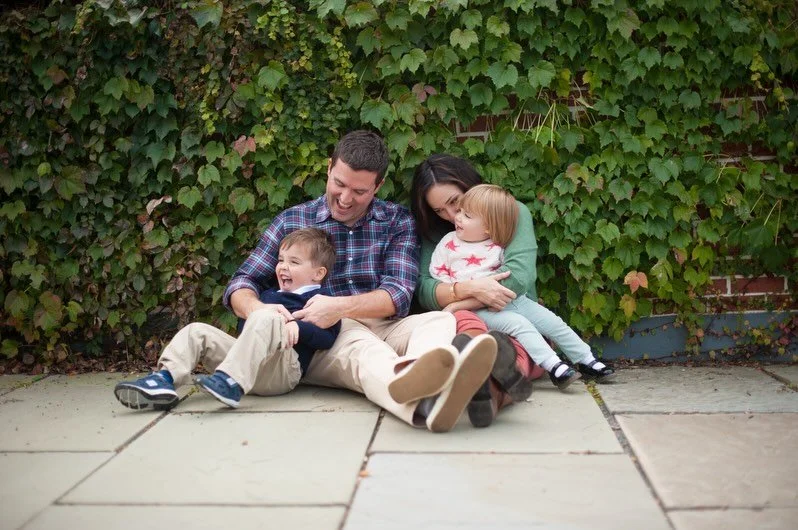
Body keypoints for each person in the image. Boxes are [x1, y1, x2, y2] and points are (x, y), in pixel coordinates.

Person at [116, 131, 498, 433]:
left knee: (439, 321)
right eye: (339, 183)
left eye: (360, 191)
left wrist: (341, 306)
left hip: (381, 320)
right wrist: (263, 313)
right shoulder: (293, 221)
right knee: (363, 351)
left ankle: (427, 371)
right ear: (329, 168)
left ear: (378, 186)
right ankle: (422, 405)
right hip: (319, 335)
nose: (345, 198)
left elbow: (398, 293)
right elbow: (242, 282)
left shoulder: (396, 221)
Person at [114, 227, 341, 409]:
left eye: (294, 262)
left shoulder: (320, 300)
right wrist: (260, 311)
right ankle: (164, 379)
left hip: (281, 371)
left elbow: (328, 337)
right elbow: (246, 327)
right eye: (281, 260)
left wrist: (300, 328)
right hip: (249, 363)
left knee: (266, 316)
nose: (283, 267)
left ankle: (230, 382)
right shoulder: (270, 296)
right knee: (197, 331)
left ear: (318, 273)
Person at [428, 183, 615, 390]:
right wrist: (460, 297)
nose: (458, 217)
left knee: (553, 322)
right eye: (461, 211)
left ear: (489, 226)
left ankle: (586, 359)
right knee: (519, 325)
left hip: (516, 300)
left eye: (468, 216)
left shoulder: (498, 245)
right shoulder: (448, 244)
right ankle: (554, 366)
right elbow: (438, 275)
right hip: (482, 310)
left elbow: (515, 276)